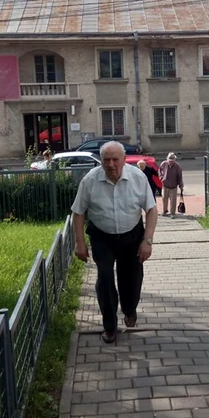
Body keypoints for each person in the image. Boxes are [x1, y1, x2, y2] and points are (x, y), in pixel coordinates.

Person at [71, 141, 158, 344]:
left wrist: (148, 240)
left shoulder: (137, 177)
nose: (110, 165)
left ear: (124, 160)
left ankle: (129, 310)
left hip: (132, 235)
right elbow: (78, 212)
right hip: (102, 236)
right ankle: (109, 326)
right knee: (105, 278)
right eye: (106, 160)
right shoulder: (90, 180)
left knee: (132, 278)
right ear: (100, 161)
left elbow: (152, 209)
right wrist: (79, 243)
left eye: (115, 159)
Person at [159, 152, 184, 218]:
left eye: (172, 161)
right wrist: (161, 177)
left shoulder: (177, 167)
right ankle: (165, 211)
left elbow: (180, 177)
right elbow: (160, 171)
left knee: (173, 201)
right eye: (169, 161)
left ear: (174, 160)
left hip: (173, 186)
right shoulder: (163, 164)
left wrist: (181, 186)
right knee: (164, 198)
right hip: (165, 185)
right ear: (167, 159)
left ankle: (172, 213)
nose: (170, 162)